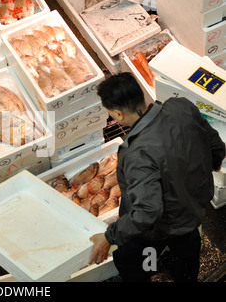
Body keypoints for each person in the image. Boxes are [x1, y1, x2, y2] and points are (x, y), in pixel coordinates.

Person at [89, 72, 225, 282]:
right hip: (193, 207)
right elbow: (216, 145)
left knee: (133, 257)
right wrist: (210, 164)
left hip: (162, 225)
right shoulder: (182, 107)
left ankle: (149, 271)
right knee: (187, 249)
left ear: (118, 115)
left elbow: (148, 211)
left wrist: (110, 236)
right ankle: (186, 277)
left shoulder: (138, 154)